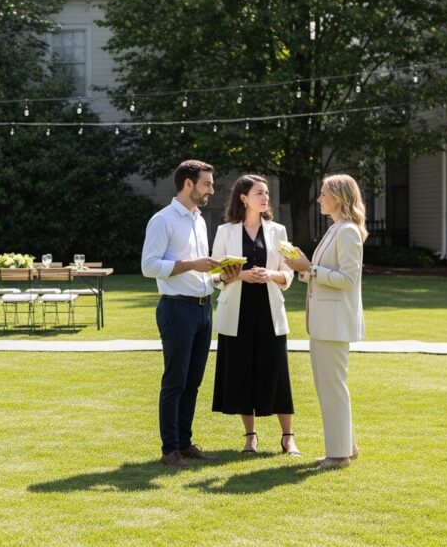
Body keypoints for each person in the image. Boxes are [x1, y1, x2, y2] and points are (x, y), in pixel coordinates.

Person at [141, 160, 225, 469]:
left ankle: (185, 443)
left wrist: (218, 276)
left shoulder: (199, 220)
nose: (211, 190)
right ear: (187, 184)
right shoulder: (162, 221)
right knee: (175, 381)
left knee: (193, 381)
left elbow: (201, 270)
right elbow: (148, 267)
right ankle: (170, 450)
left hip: (203, 308)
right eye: (207, 184)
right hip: (176, 309)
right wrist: (192, 265)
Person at [210, 174, 299, 456]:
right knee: (241, 375)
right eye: (259, 193)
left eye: (266, 194)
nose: (265, 198)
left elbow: (289, 272)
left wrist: (270, 275)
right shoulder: (225, 232)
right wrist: (241, 276)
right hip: (236, 314)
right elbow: (214, 276)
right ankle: (250, 438)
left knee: (277, 374)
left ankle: (288, 438)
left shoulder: (278, 231)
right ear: (243, 197)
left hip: (269, 312)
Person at [284, 173, 367, 470]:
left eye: (323, 194)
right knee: (329, 386)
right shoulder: (336, 229)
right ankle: (348, 446)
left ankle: (339, 454)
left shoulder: (347, 232)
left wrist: (311, 268)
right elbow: (319, 272)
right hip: (323, 322)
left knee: (333, 387)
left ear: (340, 198)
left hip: (334, 323)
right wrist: (302, 267)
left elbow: (347, 280)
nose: (319, 199)